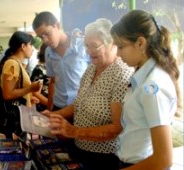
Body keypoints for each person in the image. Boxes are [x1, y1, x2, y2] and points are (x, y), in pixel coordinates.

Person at [42, 18, 134, 170]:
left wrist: (74, 131)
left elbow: (117, 127)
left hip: (105, 157)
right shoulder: (91, 69)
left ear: (112, 44)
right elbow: (78, 104)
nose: (89, 51)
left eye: (94, 46)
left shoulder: (122, 74)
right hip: (81, 149)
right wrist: (54, 114)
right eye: (86, 46)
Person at [110, 10, 180, 169]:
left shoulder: (152, 87)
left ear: (140, 43)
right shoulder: (141, 77)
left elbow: (163, 159)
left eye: (121, 47)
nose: (118, 54)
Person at [32, 11, 90, 111]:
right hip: (58, 106)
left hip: (82, 106)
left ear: (57, 25)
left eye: (47, 33)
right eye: (41, 37)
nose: (45, 40)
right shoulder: (48, 52)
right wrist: (49, 109)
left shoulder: (83, 46)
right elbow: (53, 81)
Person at [0, 31, 41, 138]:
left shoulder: (17, 63)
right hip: (16, 118)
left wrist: (28, 98)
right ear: (23, 46)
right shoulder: (12, 64)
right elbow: (8, 94)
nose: (33, 48)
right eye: (30, 45)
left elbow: (17, 89)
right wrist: (31, 88)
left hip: (21, 115)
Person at [30, 43, 49, 111]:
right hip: (43, 108)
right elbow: (35, 92)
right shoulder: (40, 69)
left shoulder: (51, 67)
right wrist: (50, 104)